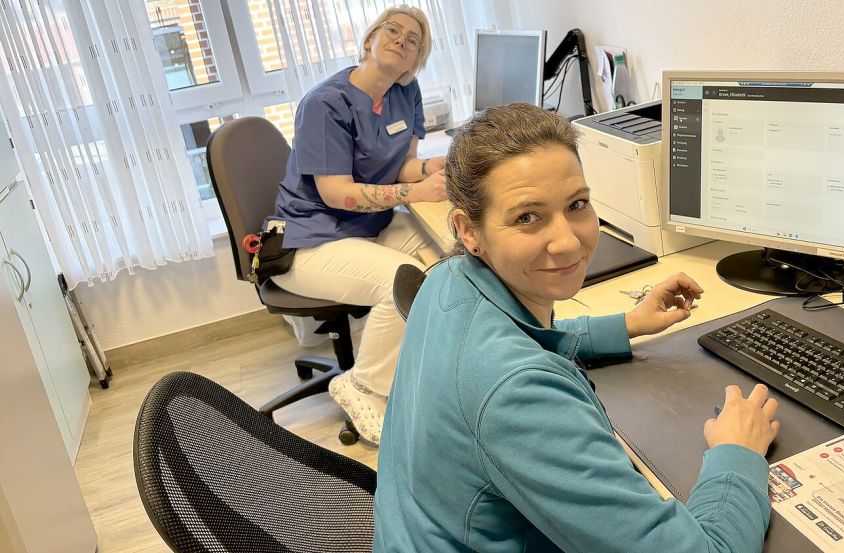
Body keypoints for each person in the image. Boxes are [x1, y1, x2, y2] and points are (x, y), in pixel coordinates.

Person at [374, 104, 781, 552]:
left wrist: (625, 324)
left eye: (577, 205)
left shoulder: (448, 279)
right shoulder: (518, 397)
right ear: (468, 229)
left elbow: (519, 337)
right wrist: (737, 453)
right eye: (527, 217)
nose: (568, 241)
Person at [268, 5, 446, 445]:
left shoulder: (406, 91)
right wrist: (415, 193)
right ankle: (363, 387)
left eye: (413, 41)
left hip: (366, 226)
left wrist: (439, 167)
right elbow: (336, 193)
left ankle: (400, 365)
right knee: (399, 280)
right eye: (393, 30)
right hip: (309, 239)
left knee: (448, 257)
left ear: (415, 61)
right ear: (369, 40)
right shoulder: (325, 104)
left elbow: (402, 166)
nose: (401, 41)